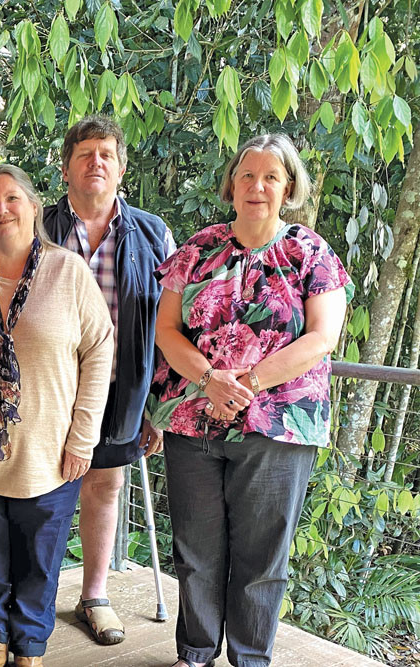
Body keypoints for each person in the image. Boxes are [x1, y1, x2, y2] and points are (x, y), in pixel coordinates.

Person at [149, 134, 352, 667]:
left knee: (262, 557)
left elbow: (321, 337)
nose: (256, 186)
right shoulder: (196, 248)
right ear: (231, 185)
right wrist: (211, 379)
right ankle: (195, 653)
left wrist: (248, 384)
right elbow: (165, 330)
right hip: (193, 419)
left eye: (270, 177)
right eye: (246, 175)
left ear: (288, 188)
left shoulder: (310, 252)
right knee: (195, 551)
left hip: (278, 426)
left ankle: (249, 658)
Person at [0, 164, 114, 667]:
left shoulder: (68, 272)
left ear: (34, 206)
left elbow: (100, 350)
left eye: (12, 199)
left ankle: (30, 650)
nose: (2, 210)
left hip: (49, 456)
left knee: (39, 567)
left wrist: (83, 437)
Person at [42, 114, 175, 645]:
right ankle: (34, 597)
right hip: (46, 388)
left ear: (121, 168)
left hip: (122, 388)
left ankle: (94, 594)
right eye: (85, 153)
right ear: (66, 168)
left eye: (106, 154)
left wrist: (159, 405)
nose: (96, 162)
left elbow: (171, 324)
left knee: (103, 486)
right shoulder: (39, 225)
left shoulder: (152, 233)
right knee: (42, 490)